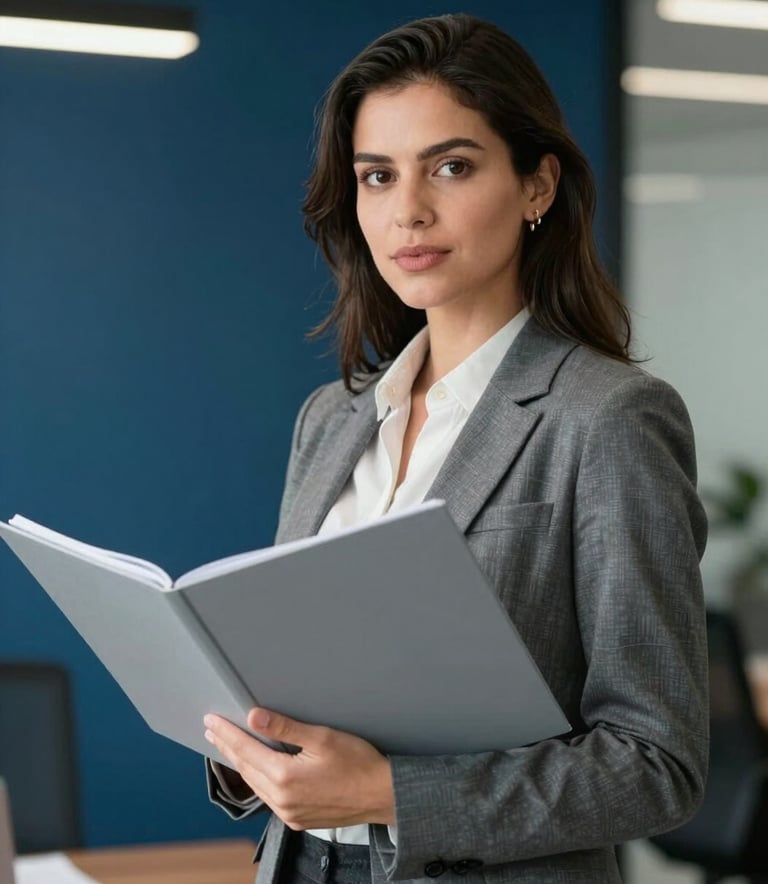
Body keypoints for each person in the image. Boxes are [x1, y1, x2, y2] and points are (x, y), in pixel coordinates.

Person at [202, 13, 708, 884]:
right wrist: (252, 743)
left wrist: (389, 793)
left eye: (452, 166)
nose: (409, 211)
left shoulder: (608, 418)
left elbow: (657, 763)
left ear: (537, 185)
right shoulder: (332, 417)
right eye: (376, 175)